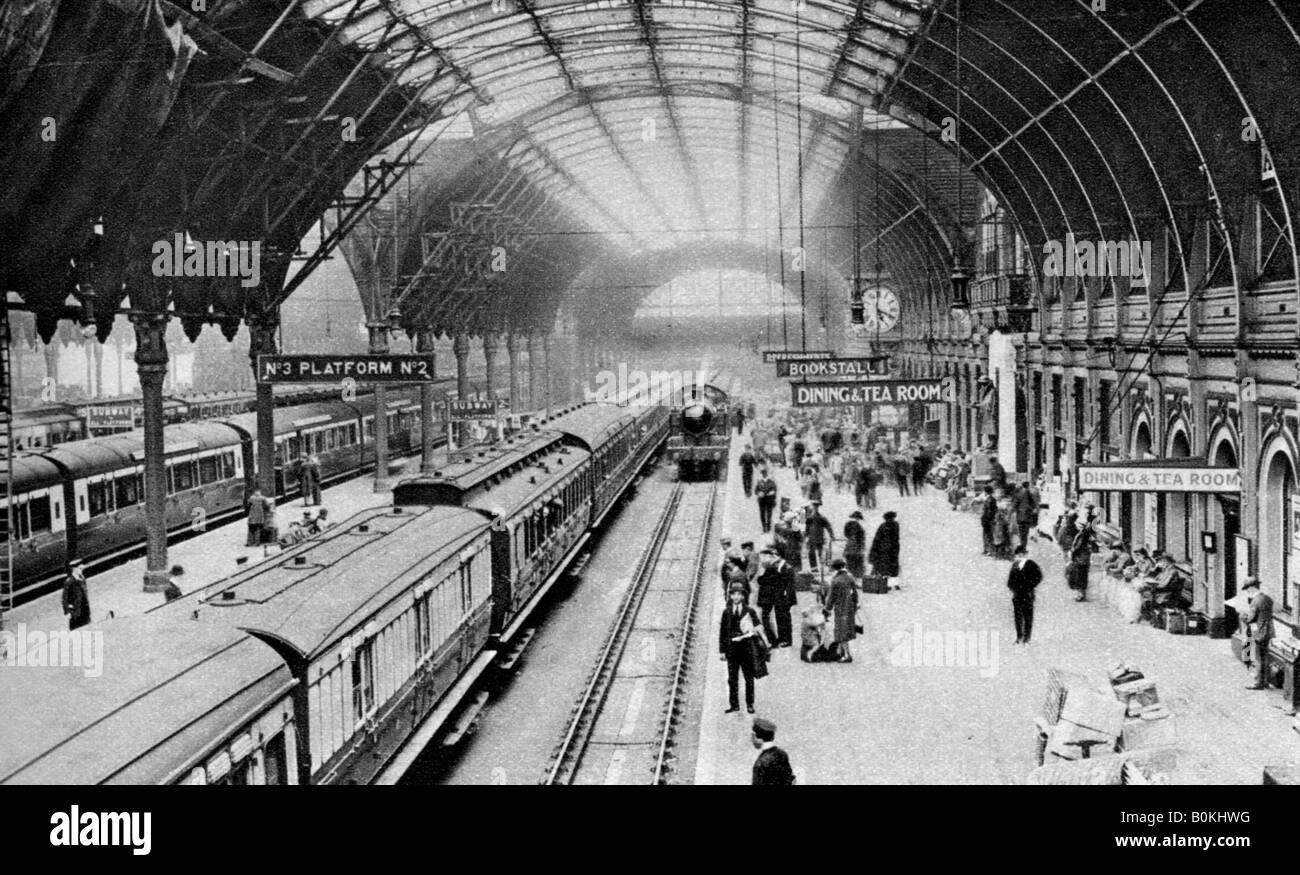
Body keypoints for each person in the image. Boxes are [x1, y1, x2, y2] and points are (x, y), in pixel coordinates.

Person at [720, 584, 764, 714]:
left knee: (748, 678)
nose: (736, 597)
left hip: (746, 649)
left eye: (739, 594)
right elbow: (723, 632)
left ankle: (750, 704)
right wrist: (722, 651)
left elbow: (758, 626)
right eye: (734, 594)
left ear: (743, 596)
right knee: (732, 679)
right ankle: (734, 705)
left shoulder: (750, 611)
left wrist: (754, 630)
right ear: (731, 596)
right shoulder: (726, 612)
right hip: (732, 650)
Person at [756, 548, 796, 648]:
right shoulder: (778, 566)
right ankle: (782, 638)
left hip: (784, 598)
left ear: (779, 556)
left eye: (774, 555)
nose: (772, 557)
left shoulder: (786, 568)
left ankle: (786, 640)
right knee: (780, 618)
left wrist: (787, 599)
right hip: (779, 597)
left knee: (784, 619)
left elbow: (789, 586)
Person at [821, 559, 859, 662]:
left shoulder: (835, 580)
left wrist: (826, 609)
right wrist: (855, 606)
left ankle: (847, 655)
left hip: (841, 608)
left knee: (841, 632)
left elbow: (831, 597)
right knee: (846, 630)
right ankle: (841, 652)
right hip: (850, 608)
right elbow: (855, 594)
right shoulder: (850, 577)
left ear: (834, 568)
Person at [1242, 577, 1275, 690]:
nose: (1247, 592)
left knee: (1258, 658)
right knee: (1265, 656)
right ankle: (1265, 681)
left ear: (1251, 587)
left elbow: (1250, 618)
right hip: (1268, 631)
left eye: (1247, 589)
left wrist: (1243, 617)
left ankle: (1258, 683)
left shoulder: (1255, 601)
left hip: (1259, 632)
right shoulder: (1267, 598)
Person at [1007, 545, 1042, 644]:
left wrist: (1031, 585)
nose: (1020, 556)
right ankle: (1019, 636)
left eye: (1022, 554)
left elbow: (1038, 577)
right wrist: (1012, 588)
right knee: (1018, 616)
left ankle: (1027, 638)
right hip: (1017, 594)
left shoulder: (1031, 564)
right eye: (1018, 555)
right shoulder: (1015, 565)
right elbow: (1010, 580)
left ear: (1026, 554)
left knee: (1028, 616)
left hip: (1028, 594)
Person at [751, 718, 796, 785]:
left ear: (759, 737)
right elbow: (790, 779)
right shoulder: (780, 754)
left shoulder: (764, 760)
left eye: (753, 736)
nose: (751, 740)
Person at [1066, 508, 1097, 601]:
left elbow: (1078, 546)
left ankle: (1080, 594)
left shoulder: (1082, 534)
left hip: (1080, 558)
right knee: (1083, 575)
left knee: (1079, 575)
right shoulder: (1086, 533)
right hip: (1084, 558)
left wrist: (1072, 552)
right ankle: (1082, 592)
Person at [869, 510, 902, 591]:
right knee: (892, 567)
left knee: (888, 567)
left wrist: (874, 550)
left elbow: (877, 539)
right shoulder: (895, 525)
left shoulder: (884, 526)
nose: (890, 520)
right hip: (891, 549)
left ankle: (890, 584)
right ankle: (892, 584)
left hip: (886, 549)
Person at [61, 561, 91, 630]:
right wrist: (67, 612)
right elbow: (64, 599)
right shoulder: (69, 582)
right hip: (75, 612)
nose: (81, 570)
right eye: (80, 569)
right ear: (74, 569)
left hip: (85, 610)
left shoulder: (82, 578)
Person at [803, 502, 833, 571]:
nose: (815, 509)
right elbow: (806, 528)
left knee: (820, 555)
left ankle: (821, 568)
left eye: (816, 507)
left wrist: (832, 535)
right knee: (812, 554)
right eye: (814, 507)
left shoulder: (821, 517)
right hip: (813, 539)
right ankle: (814, 569)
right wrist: (805, 537)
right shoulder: (810, 518)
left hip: (819, 539)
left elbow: (828, 526)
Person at [843, 510, 867, 579]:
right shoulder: (860, 527)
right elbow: (862, 538)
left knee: (849, 563)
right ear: (858, 518)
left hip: (849, 545)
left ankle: (850, 578)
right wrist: (862, 547)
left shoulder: (847, 524)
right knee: (857, 564)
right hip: (857, 548)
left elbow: (845, 534)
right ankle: (856, 578)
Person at [754, 468, 778, 532]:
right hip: (761, 500)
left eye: (765, 473)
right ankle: (764, 527)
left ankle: (768, 526)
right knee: (762, 514)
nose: (764, 474)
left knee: (769, 514)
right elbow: (756, 491)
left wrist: (772, 493)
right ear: (762, 474)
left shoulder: (771, 482)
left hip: (769, 500)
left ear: (767, 474)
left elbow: (775, 489)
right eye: (763, 473)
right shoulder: (759, 482)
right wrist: (759, 493)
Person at [980, 487, 997, 556]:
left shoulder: (989, 500)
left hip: (987, 520)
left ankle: (989, 550)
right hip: (988, 519)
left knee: (988, 535)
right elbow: (995, 509)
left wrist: (987, 519)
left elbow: (989, 511)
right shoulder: (991, 499)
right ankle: (987, 550)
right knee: (987, 535)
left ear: (986, 492)